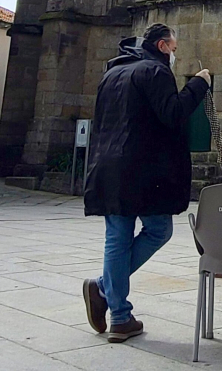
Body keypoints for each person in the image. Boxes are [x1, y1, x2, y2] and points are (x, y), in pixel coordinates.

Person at [81, 24, 212, 342]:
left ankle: (119, 315)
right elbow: (173, 113)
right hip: (141, 169)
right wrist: (199, 84)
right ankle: (105, 292)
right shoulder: (155, 71)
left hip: (107, 165)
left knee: (117, 237)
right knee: (158, 230)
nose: (175, 55)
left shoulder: (112, 73)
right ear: (164, 46)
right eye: (175, 49)